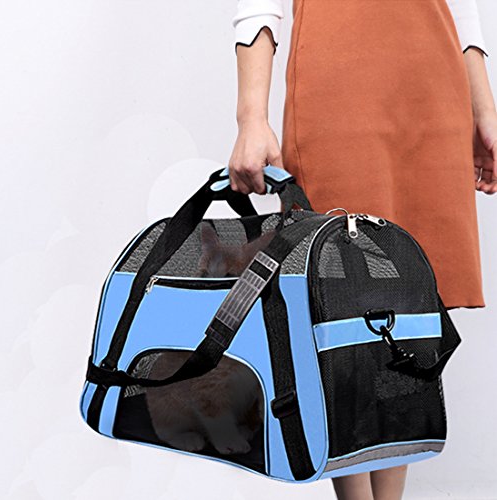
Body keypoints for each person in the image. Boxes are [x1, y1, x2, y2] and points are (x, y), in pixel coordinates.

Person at [228, 0, 496, 498]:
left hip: (432, 87)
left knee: (409, 304)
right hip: (336, 81)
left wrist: (483, 106)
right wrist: (251, 117)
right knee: (338, 298)